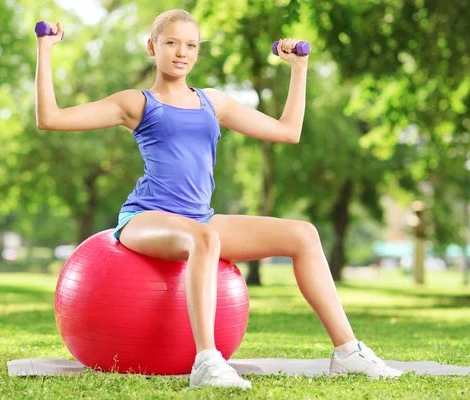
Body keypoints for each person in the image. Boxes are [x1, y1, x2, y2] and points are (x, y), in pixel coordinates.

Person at [35, 9, 403, 390]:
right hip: (145, 218)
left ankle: (348, 352)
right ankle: (207, 362)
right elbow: (50, 117)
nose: (182, 52)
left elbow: (287, 131)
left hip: (200, 217)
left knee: (304, 234)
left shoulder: (214, 103)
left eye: (191, 45)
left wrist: (299, 68)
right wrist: (45, 49)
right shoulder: (137, 103)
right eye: (172, 43)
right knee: (205, 239)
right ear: (152, 47)